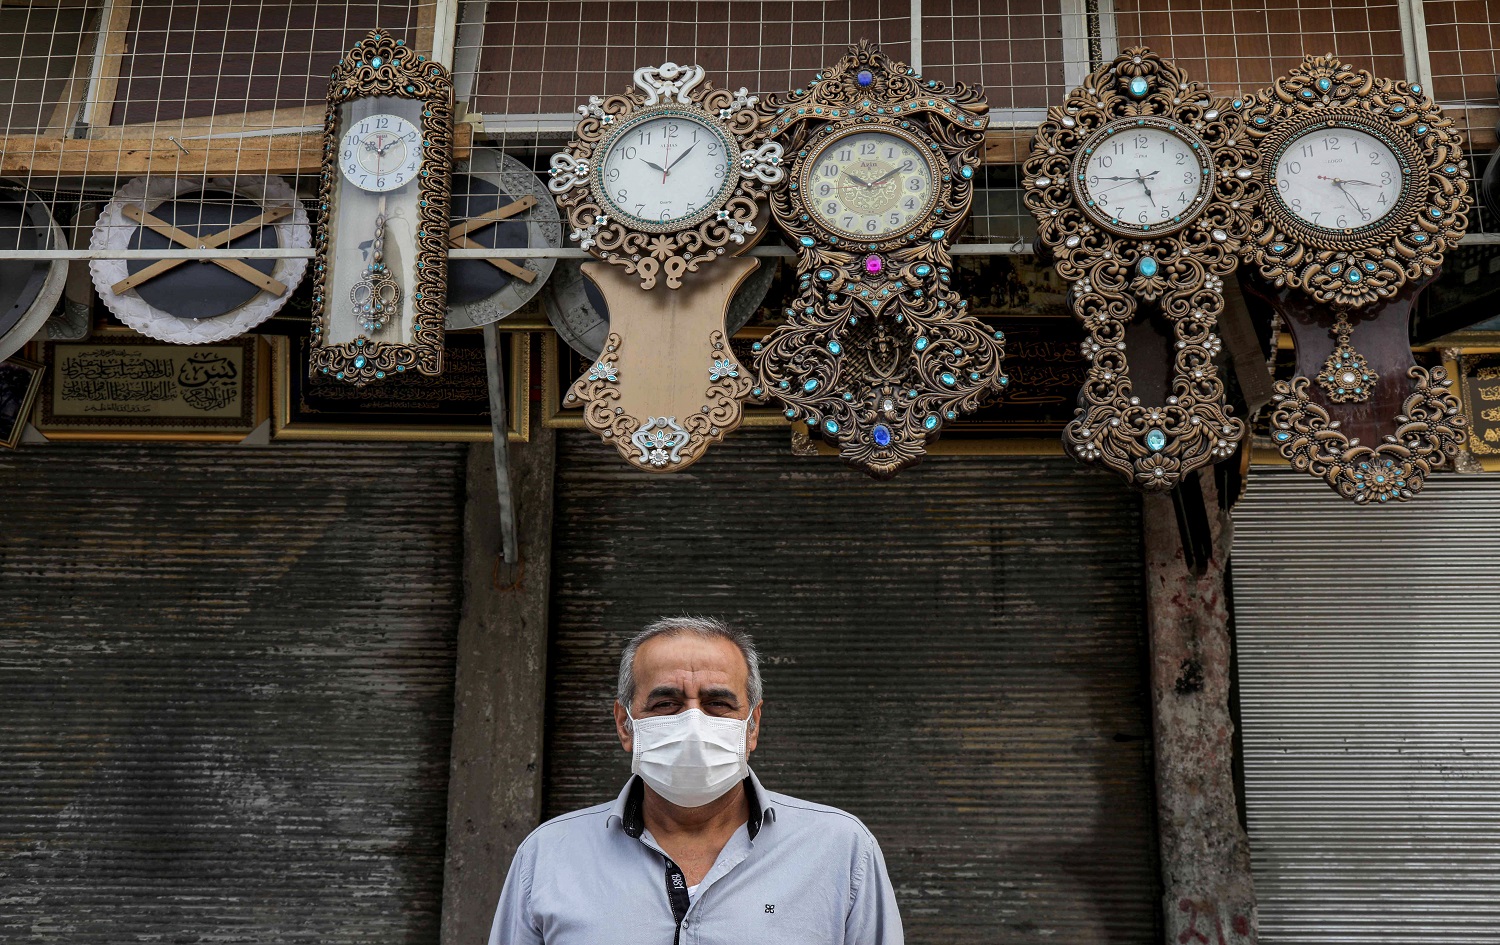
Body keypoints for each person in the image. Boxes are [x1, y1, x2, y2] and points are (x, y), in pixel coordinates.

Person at [488, 616, 903, 945]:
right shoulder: (547, 856)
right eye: (666, 703)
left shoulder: (841, 851)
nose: (691, 724)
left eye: (717, 703)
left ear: (752, 726)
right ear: (625, 724)